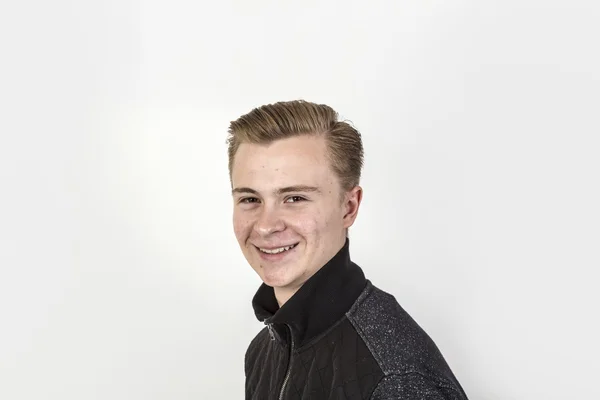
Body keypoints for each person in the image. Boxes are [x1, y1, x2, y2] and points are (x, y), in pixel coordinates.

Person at [227, 100, 468, 399]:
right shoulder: (263, 350)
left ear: (349, 207)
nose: (265, 226)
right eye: (250, 199)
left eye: (295, 198)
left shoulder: (394, 378)